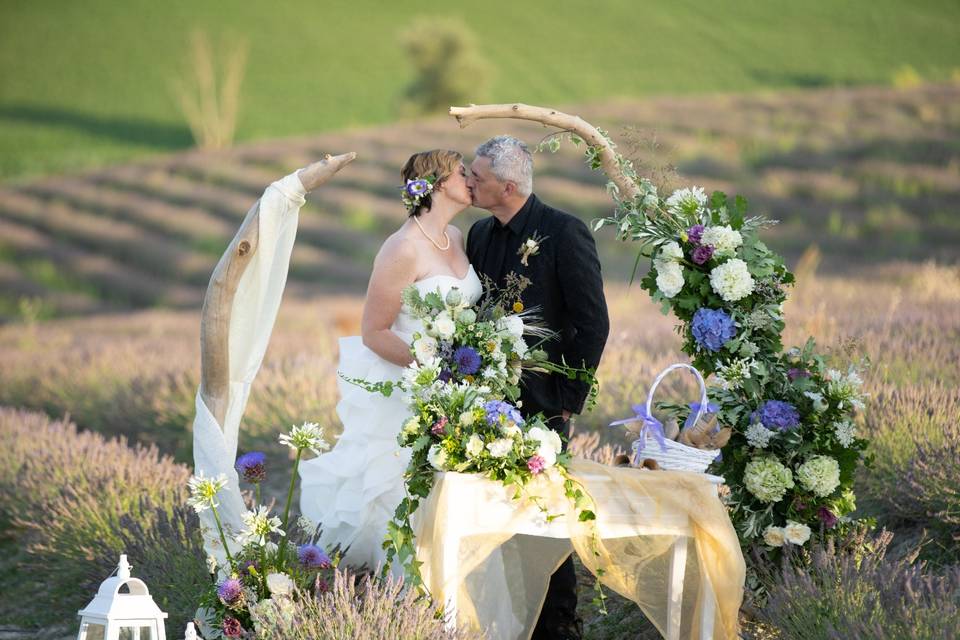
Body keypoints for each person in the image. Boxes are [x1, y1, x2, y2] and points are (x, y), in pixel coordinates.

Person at [298, 149, 482, 572]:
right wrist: (436, 365)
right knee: (401, 494)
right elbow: (374, 331)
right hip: (408, 389)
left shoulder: (455, 238)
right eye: (461, 172)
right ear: (436, 184)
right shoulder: (402, 248)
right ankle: (397, 597)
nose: (471, 178)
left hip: (456, 391)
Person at [466, 135, 610, 640]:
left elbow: (593, 324)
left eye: (476, 177)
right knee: (491, 514)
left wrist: (568, 401)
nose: (467, 182)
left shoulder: (565, 231)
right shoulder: (480, 235)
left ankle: (559, 625)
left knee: (543, 516)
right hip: (485, 404)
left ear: (507, 186)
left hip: (545, 403)